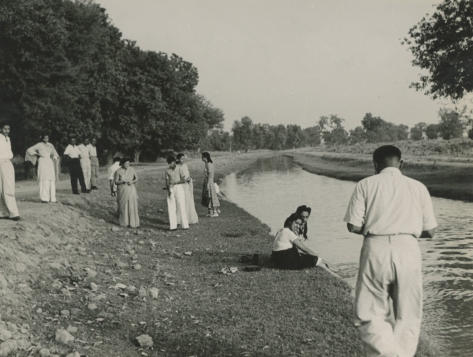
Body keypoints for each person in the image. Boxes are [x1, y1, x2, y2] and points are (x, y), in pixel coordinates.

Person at [344, 145, 437, 357]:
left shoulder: (365, 184)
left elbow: (354, 226)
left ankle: (384, 354)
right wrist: (405, 231)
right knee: (409, 314)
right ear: (401, 163)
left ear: (375, 164)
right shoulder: (418, 187)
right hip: (409, 249)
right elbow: (430, 231)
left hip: (376, 246)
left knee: (370, 311)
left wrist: (380, 225)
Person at [26, 134, 59, 203]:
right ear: (42, 138)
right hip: (42, 162)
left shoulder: (50, 145)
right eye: (45, 138)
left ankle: (53, 198)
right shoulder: (39, 144)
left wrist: (54, 157)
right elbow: (29, 150)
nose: (46, 139)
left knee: (51, 179)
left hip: (49, 162)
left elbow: (55, 153)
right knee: (44, 179)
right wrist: (37, 154)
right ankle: (44, 198)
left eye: (47, 137)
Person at [0, 124, 20, 220]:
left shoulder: (8, 139)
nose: (7, 131)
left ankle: (13, 212)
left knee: (8, 187)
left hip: (7, 163)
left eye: (8, 129)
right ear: (1, 129)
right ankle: (2, 212)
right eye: (5, 129)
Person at [165, 155, 189, 231]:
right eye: (169, 163)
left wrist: (175, 182)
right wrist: (168, 190)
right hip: (171, 188)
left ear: (174, 162)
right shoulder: (167, 170)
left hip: (179, 187)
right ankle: (173, 226)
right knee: (171, 207)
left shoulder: (179, 168)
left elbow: (184, 180)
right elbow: (167, 181)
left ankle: (185, 225)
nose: (170, 164)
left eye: (171, 163)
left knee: (182, 205)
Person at [114, 158, 139, 228]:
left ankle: (133, 223)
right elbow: (116, 182)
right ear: (122, 164)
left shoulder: (132, 169)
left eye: (128, 163)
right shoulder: (118, 171)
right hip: (122, 190)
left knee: (131, 204)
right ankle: (124, 222)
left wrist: (132, 181)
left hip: (131, 189)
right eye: (125, 164)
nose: (127, 165)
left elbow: (136, 178)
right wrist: (122, 181)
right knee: (123, 205)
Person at [176, 153, 198, 225]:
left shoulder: (185, 166)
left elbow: (187, 175)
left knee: (188, 200)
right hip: (181, 185)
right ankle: (179, 219)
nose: (183, 160)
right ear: (178, 159)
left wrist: (189, 179)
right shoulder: (176, 167)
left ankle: (188, 218)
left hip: (186, 185)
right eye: (181, 159)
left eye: (184, 159)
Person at [201, 152, 220, 217]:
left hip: (210, 182)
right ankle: (210, 212)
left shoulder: (209, 164)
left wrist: (208, 184)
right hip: (207, 181)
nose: (201, 158)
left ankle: (215, 212)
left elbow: (210, 175)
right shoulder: (206, 164)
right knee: (207, 197)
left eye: (202, 157)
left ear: (205, 157)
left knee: (211, 196)